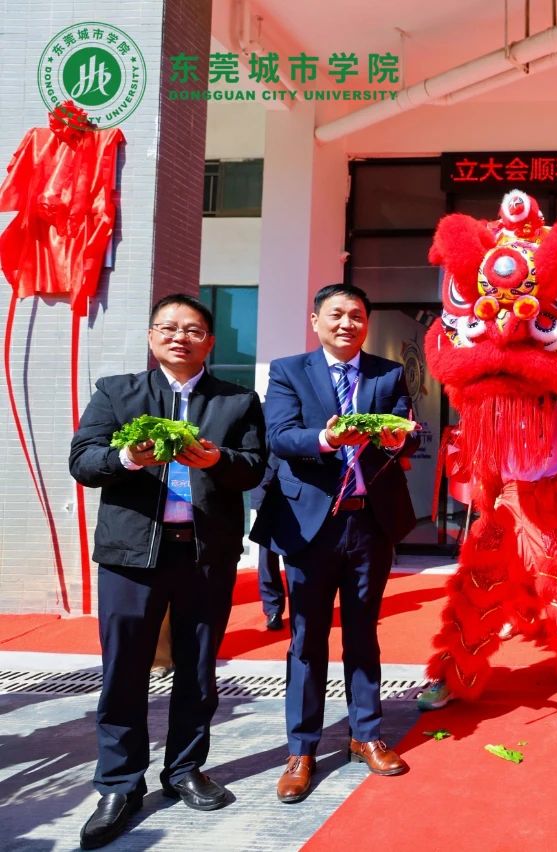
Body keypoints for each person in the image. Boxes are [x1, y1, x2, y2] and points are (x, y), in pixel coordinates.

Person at [69, 295, 266, 849]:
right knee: (124, 671)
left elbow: (255, 468)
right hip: (131, 554)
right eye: (169, 327)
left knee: (198, 669)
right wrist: (130, 458)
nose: (180, 337)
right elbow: (83, 461)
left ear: (210, 341)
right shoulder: (118, 392)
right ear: (152, 336)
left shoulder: (237, 400)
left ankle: (184, 770)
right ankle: (119, 784)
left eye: (193, 329)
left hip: (204, 553)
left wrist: (219, 461)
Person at [251, 283, 419, 804]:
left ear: (367, 323)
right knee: (307, 639)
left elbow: (410, 430)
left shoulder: (387, 373)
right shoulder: (289, 371)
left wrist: (400, 438)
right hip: (310, 525)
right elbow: (279, 436)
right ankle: (301, 749)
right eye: (337, 314)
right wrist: (326, 439)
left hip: (369, 523)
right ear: (316, 320)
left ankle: (365, 735)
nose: (347, 324)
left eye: (357, 315)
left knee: (363, 633)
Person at [250, 454, 286, 631]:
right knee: (267, 552)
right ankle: (273, 608)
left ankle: (305, 605)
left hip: (304, 486)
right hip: (267, 485)